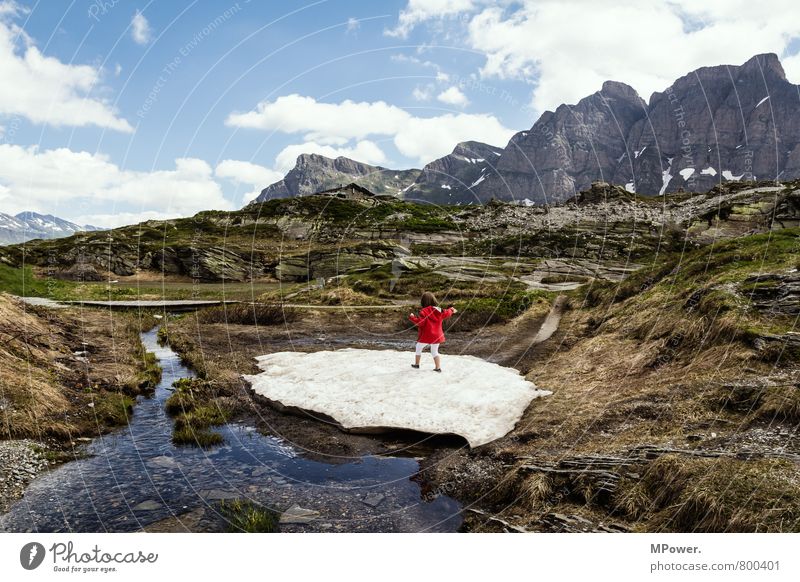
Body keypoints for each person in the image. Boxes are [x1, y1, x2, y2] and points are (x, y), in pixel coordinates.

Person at [408, 291, 457, 372]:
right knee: (434, 351)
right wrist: (451, 310)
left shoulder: (423, 311)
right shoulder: (439, 310)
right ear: (433, 300)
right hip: (437, 336)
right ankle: (438, 368)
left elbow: (420, 323)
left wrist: (412, 317)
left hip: (427, 335)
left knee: (418, 347)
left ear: (423, 301)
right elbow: (447, 313)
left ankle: (417, 364)